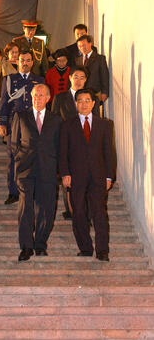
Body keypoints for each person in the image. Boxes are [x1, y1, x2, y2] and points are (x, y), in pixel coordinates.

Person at [59, 88, 113, 262]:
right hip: (76, 177)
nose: (83, 104)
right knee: (79, 213)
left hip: (98, 177)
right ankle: (85, 248)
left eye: (87, 100)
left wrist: (109, 177)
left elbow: (109, 153)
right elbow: (63, 152)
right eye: (80, 101)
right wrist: (65, 173)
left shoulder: (104, 124)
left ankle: (102, 250)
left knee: (99, 213)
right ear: (76, 104)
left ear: (93, 103)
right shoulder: (67, 124)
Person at [11, 84, 62, 261]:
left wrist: (59, 168)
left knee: (46, 209)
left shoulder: (56, 119)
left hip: (47, 170)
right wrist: (19, 159)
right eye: (34, 95)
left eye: (41, 95)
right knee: (25, 208)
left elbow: (60, 146)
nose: (37, 98)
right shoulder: (21, 115)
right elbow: (13, 142)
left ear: (48, 98)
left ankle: (40, 244)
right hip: (26, 169)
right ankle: (26, 246)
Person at [52, 66, 100, 220]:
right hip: (66, 145)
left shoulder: (93, 99)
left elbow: (96, 123)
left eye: (82, 77)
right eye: (76, 77)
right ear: (70, 77)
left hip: (86, 147)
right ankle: (72, 211)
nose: (79, 80)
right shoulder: (59, 98)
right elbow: (53, 121)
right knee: (68, 180)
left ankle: (84, 215)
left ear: (86, 80)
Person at [0, 50, 44, 205]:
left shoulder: (39, 80)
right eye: (22, 60)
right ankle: (13, 192)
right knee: (13, 157)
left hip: (33, 121)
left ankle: (33, 190)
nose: (25, 63)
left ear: (32, 62)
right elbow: (4, 102)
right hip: (14, 122)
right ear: (17, 61)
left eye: (28, 60)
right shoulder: (9, 79)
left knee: (33, 156)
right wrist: (2, 123)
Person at [75, 35, 109, 103]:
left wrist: (105, 92)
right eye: (80, 46)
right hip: (81, 94)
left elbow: (104, 76)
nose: (82, 48)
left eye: (84, 45)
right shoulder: (77, 60)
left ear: (90, 43)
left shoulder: (99, 58)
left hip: (95, 92)